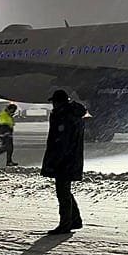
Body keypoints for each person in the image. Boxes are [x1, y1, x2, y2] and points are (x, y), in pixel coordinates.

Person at [41, 90, 87, 234]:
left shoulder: (64, 116)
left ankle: (65, 224)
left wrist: (56, 160)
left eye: (54, 102)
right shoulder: (73, 114)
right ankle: (75, 220)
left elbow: (61, 141)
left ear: (58, 102)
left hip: (65, 160)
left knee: (63, 192)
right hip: (71, 158)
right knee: (65, 191)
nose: (53, 105)